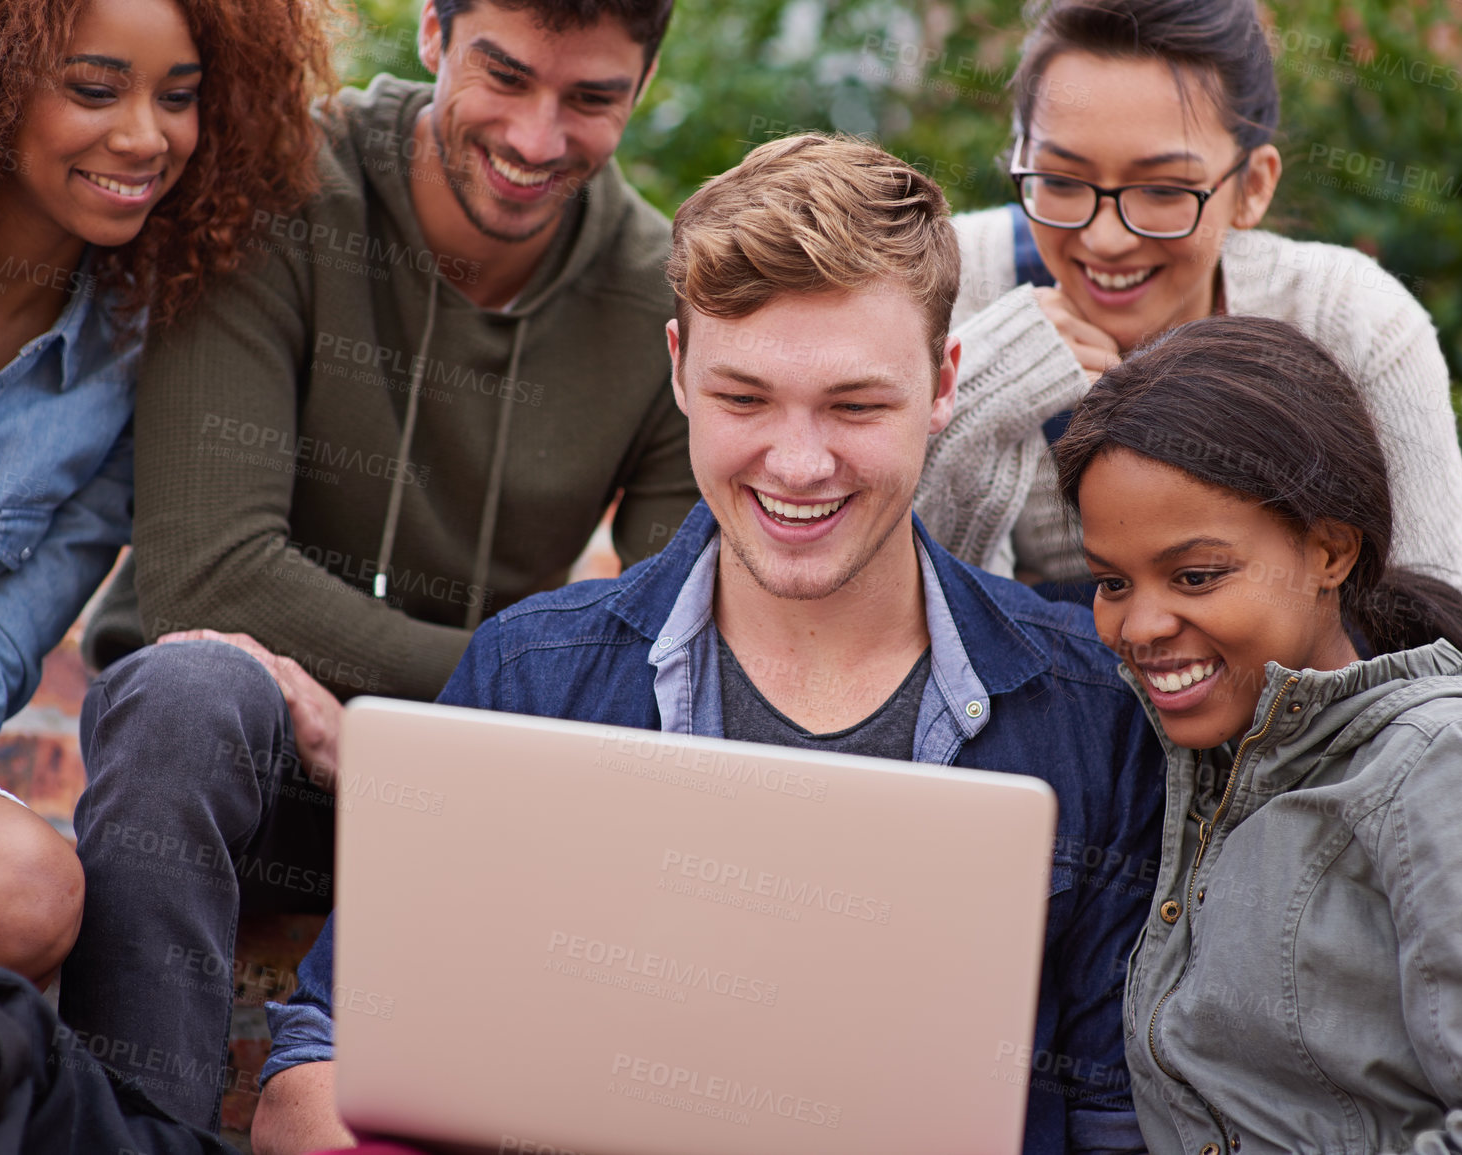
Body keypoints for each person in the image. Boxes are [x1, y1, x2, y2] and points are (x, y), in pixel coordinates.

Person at [246, 135, 1167, 1155]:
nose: (801, 464)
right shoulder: (530, 676)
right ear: (680, 370)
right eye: (745, 400)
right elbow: (318, 1069)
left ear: (945, 383)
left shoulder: (1092, 706)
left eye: (857, 406)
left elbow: (1116, 1121)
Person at [58, 0, 700, 1130]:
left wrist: (431, 739)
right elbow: (215, 575)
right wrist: (498, 695)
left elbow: (664, 654)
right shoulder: (279, 190)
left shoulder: (662, 294)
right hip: (243, 757)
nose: (540, 138)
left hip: (479, 788)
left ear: (641, 88)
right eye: (504, 75)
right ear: (433, 34)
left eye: (591, 99)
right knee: (186, 692)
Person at [1058, 314, 1462, 1154]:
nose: (1138, 624)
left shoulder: (1443, 771)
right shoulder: (1190, 763)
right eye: (1110, 580)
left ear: (1328, 551)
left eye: (1195, 575)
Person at [911, 0, 1462, 706]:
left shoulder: (1347, 319)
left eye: (1164, 190)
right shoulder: (948, 284)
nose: (1105, 238)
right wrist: (983, 387)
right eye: (1062, 180)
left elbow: (1448, 617)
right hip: (1042, 731)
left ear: (1252, 185)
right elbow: (918, 617)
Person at [0, 0, 326, 988]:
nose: (145, 137)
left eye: (179, 100)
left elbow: (11, 631)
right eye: (95, 89)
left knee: (28, 889)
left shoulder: (145, 351)